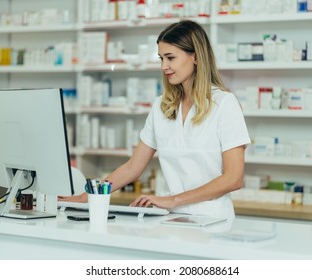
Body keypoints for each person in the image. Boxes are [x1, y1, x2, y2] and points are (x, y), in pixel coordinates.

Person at [59, 20, 250, 219]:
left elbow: (233, 178)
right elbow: (133, 167)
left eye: (170, 58)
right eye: (161, 59)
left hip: (212, 220)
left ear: (195, 56)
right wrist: (84, 198)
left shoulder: (224, 104)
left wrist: (173, 200)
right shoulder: (162, 106)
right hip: (171, 218)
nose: (163, 66)